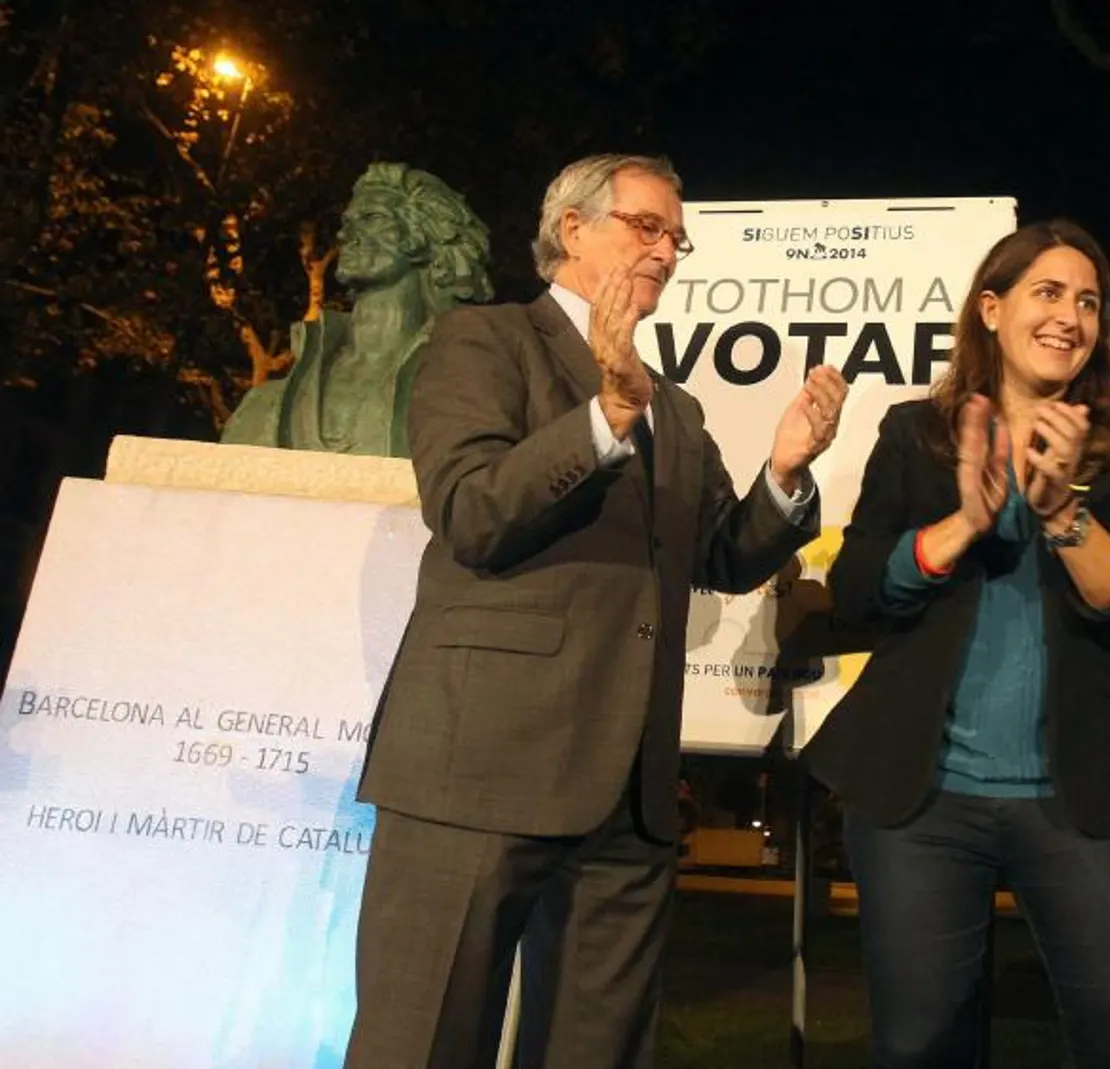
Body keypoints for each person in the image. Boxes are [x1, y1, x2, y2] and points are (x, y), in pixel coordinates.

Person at [344, 153, 849, 1069]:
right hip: (480, 768)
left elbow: (721, 559)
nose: (667, 250)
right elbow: (470, 510)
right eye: (646, 226)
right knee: (422, 1045)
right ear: (572, 230)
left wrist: (785, 471)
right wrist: (605, 417)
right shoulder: (482, 341)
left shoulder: (681, 412)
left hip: (630, 797)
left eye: (677, 237)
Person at [803, 219, 1110, 1068]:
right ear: (991, 308)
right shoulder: (914, 435)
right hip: (921, 805)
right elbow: (860, 591)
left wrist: (1060, 513)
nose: (1070, 316)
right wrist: (963, 524)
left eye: (1088, 301)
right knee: (918, 1047)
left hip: (1080, 799)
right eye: (1047, 292)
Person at [222, 162, 494, 456]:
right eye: (348, 223)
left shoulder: (478, 395)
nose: (346, 234)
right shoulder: (263, 408)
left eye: (373, 218)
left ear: (430, 237)